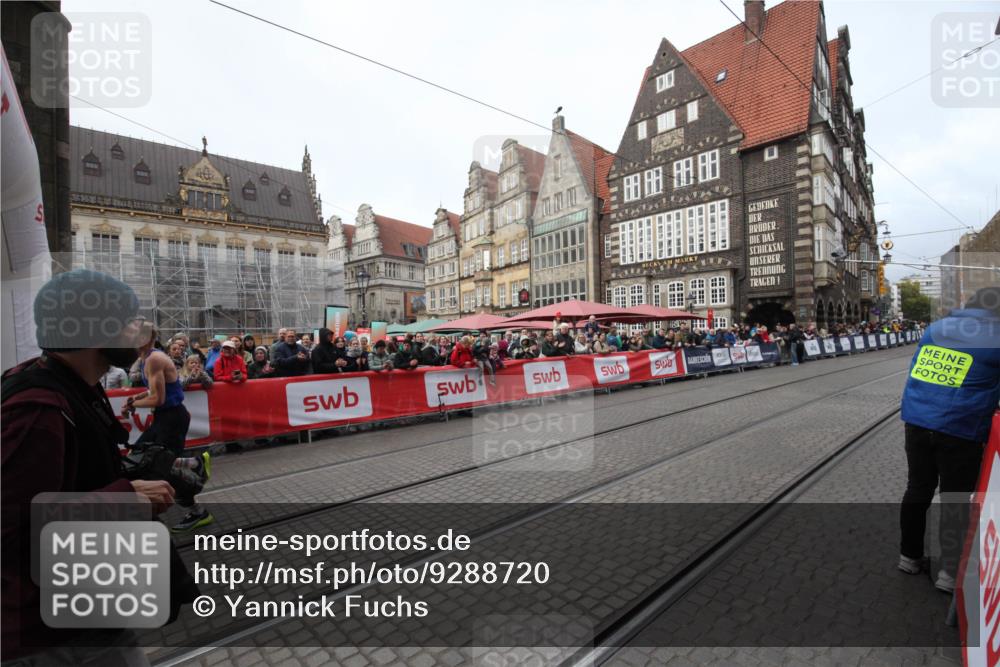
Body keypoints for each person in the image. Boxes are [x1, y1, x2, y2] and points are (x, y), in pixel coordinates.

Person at [1, 269, 198, 664]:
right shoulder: (38, 408)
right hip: (51, 634)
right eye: (130, 320)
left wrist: (143, 471)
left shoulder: (72, 384)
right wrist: (126, 497)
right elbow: (12, 527)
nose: (141, 330)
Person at [898, 287, 1000, 592]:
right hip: (960, 427)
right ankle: (948, 573)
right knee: (956, 498)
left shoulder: (936, 328)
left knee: (917, 489)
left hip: (917, 421)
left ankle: (909, 556)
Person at [123, 323, 213, 532]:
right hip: (166, 418)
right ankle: (194, 463)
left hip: (172, 418)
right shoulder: (147, 358)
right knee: (141, 460)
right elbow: (154, 389)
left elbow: (159, 397)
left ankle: (197, 511)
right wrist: (135, 398)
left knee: (155, 467)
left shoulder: (154, 359)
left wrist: (133, 404)